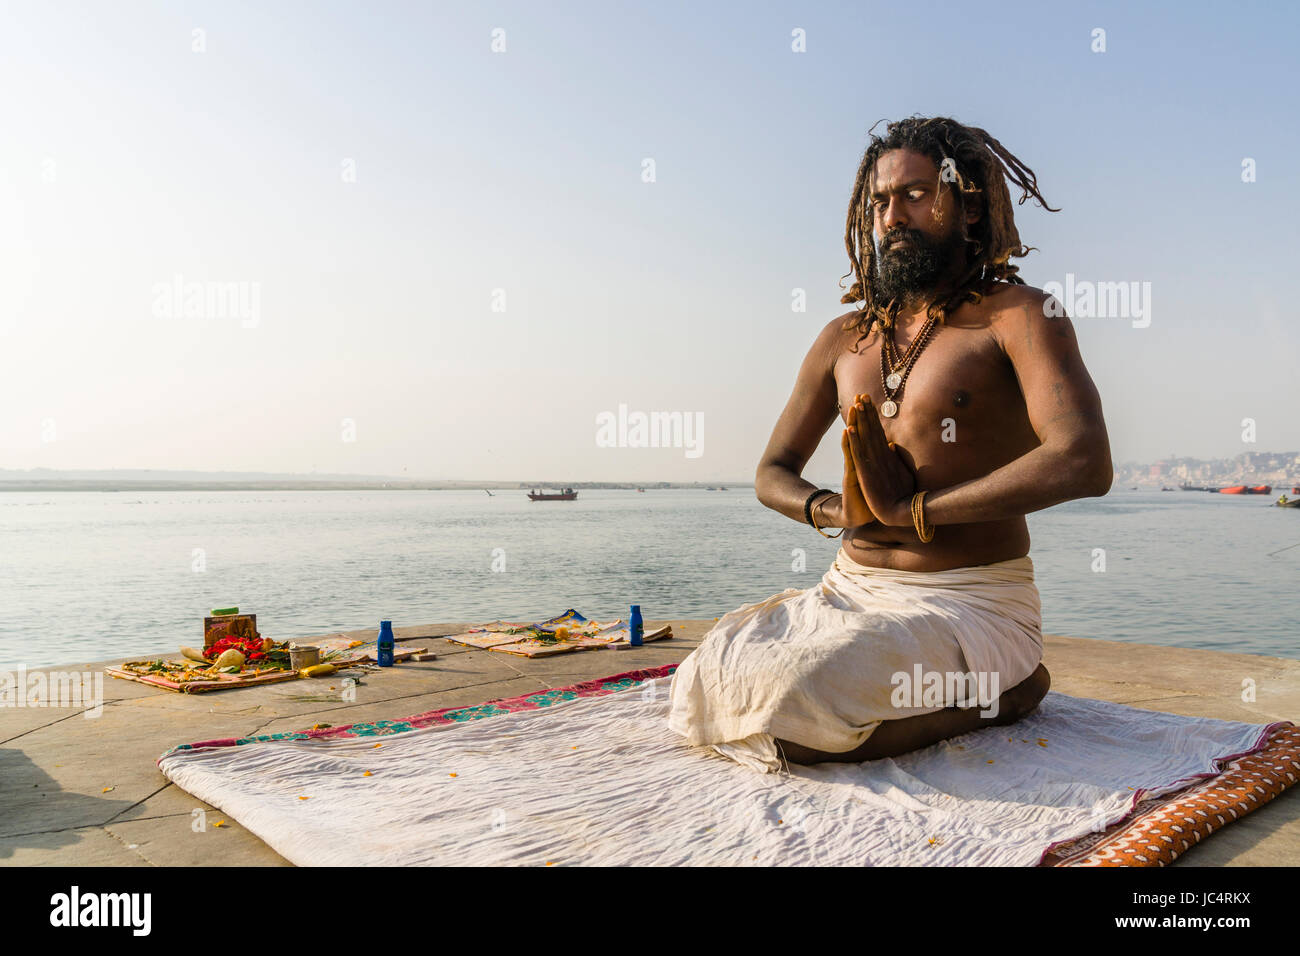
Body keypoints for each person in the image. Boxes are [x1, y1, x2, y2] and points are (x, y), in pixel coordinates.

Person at [668, 117, 1113, 772]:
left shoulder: (1019, 316)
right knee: (698, 693)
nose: (891, 215)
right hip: (846, 593)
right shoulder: (842, 338)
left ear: (965, 204)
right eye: (879, 200)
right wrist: (837, 511)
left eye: (914, 193)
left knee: (792, 712)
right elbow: (772, 472)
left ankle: (1011, 692)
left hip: (970, 603)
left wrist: (917, 512)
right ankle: (956, 690)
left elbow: (1084, 459)